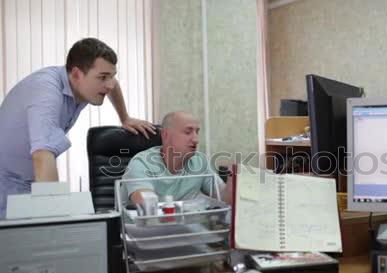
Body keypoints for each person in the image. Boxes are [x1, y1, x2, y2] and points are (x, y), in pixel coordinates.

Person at [0, 38, 156, 219]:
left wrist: (125, 117)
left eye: (111, 75)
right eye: (103, 77)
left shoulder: (82, 84)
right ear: (76, 74)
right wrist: (55, 221)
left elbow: (113, 85)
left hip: (28, 180)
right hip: (6, 183)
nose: (110, 84)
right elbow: (42, 156)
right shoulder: (46, 92)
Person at [123, 111, 232, 205]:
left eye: (197, 132)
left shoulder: (200, 161)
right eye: (188, 132)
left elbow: (224, 200)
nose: (196, 139)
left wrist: (233, 178)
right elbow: (148, 207)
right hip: (144, 228)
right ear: (165, 135)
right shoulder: (141, 164)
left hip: (187, 227)